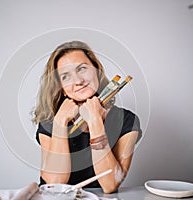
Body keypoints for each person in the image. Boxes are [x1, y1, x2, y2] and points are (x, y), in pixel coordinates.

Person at [32, 40, 142, 194]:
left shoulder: (127, 121)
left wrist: (95, 120)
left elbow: (110, 184)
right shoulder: (49, 122)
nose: (78, 81)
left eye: (82, 69)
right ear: (62, 89)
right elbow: (54, 185)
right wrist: (59, 122)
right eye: (65, 76)